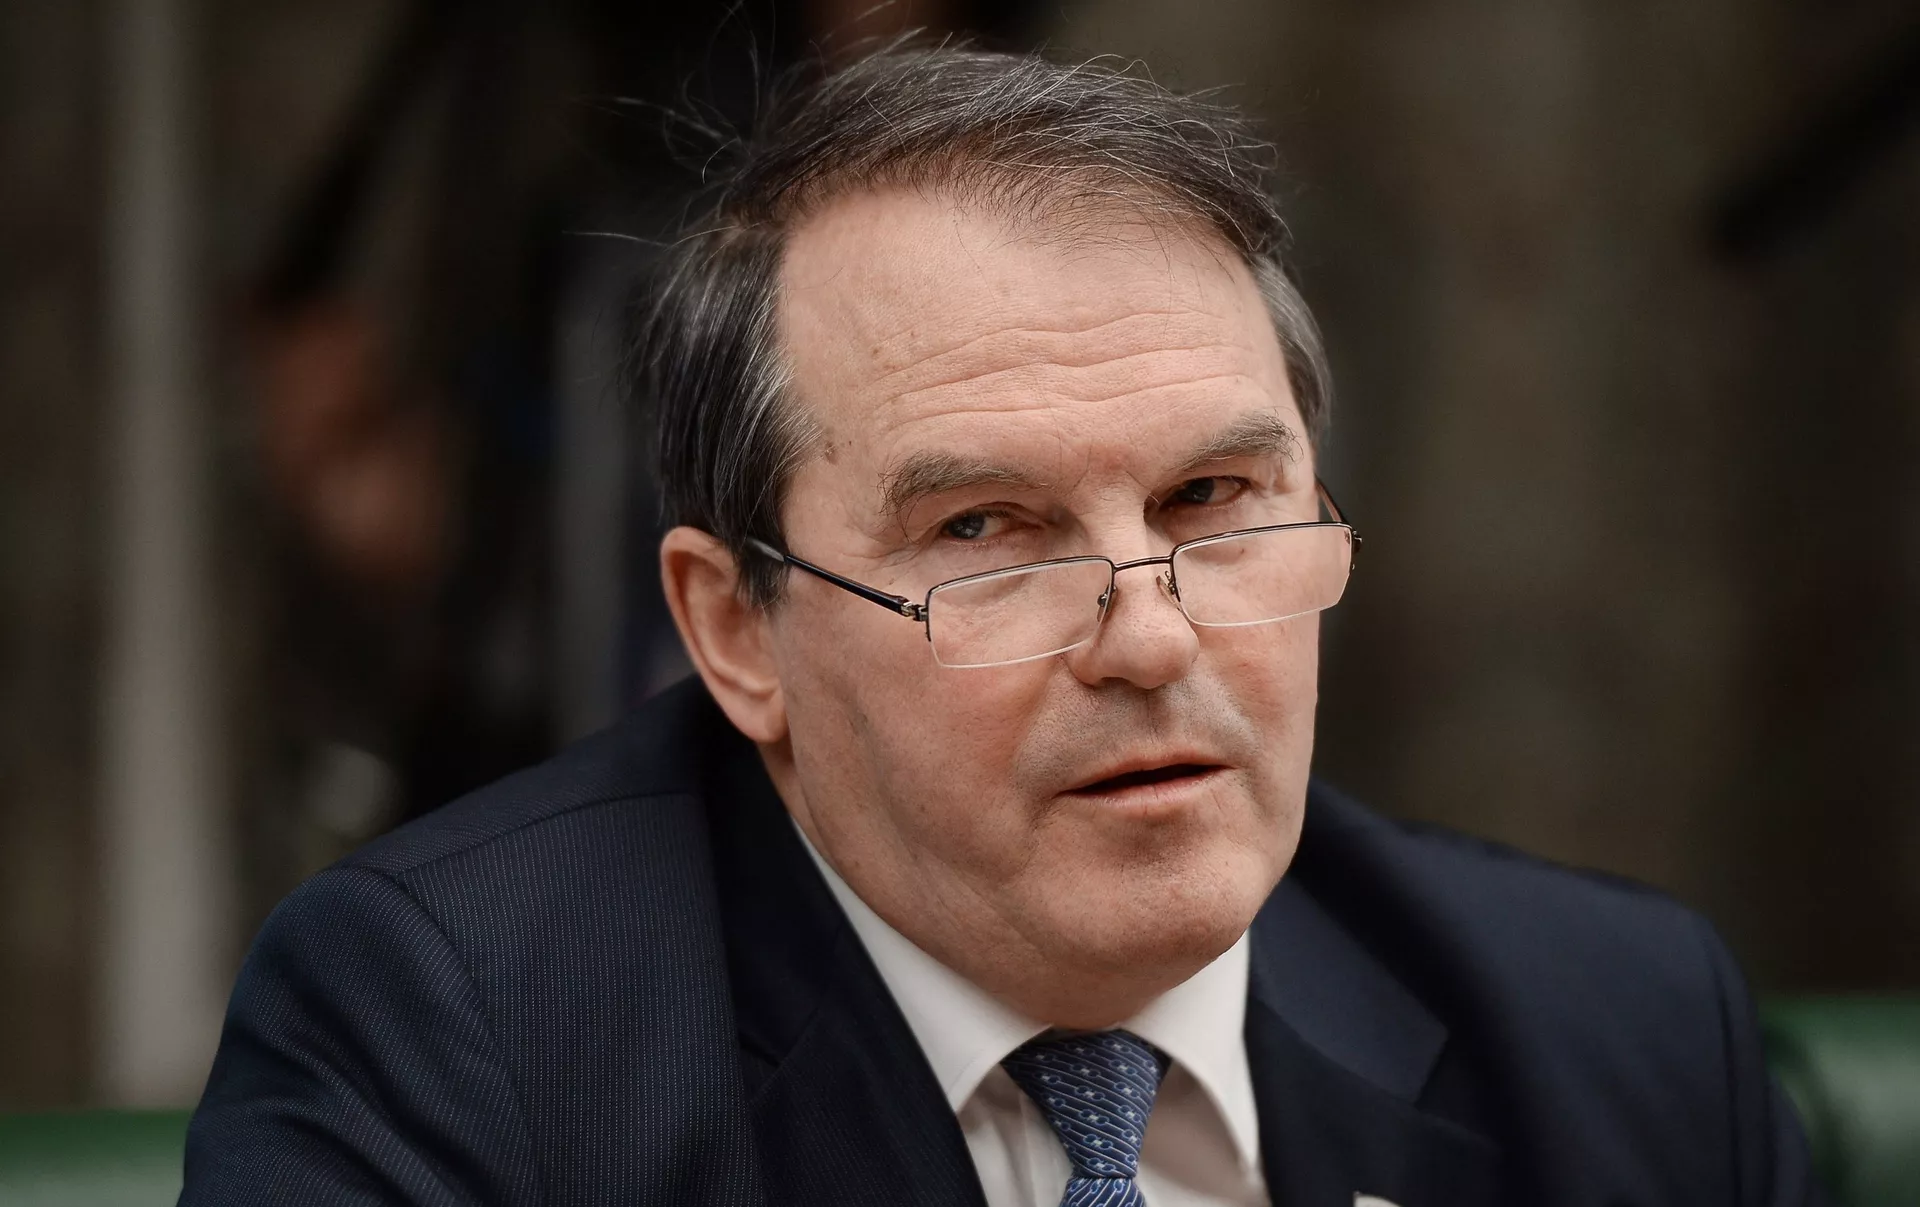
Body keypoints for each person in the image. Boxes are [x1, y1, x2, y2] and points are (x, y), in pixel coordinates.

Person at [180, 47, 1822, 1207]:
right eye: (983, 532)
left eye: (1211, 499)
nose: (1150, 640)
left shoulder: (1618, 1033)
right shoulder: (458, 1036)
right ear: (735, 627)